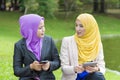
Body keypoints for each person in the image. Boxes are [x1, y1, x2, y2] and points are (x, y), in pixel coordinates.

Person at [13, 14, 60, 80]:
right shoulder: (19, 45)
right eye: (40, 28)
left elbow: (57, 62)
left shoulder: (49, 41)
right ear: (30, 30)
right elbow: (17, 71)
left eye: (43, 26)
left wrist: (49, 65)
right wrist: (31, 67)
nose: (43, 30)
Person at [60, 13, 106, 80]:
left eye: (81, 26)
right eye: (76, 25)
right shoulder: (67, 41)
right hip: (74, 77)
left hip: (91, 76)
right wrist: (75, 69)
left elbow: (102, 67)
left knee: (97, 76)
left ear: (89, 27)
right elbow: (64, 68)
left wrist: (96, 69)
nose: (77, 29)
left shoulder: (97, 43)